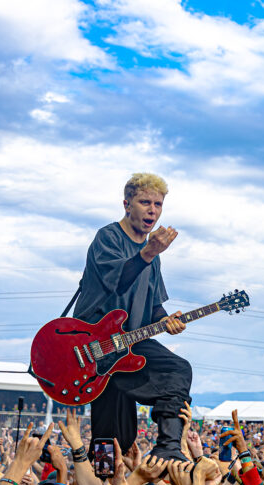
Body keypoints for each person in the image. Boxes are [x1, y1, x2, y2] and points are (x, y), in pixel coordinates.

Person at [73, 173, 192, 461]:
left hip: (130, 343)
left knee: (177, 370)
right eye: (145, 202)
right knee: (111, 438)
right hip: (97, 345)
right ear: (127, 205)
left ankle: (169, 448)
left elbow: (153, 307)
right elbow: (119, 279)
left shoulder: (154, 257)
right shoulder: (109, 237)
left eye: (158, 204)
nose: (153, 209)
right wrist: (149, 252)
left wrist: (167, 320)